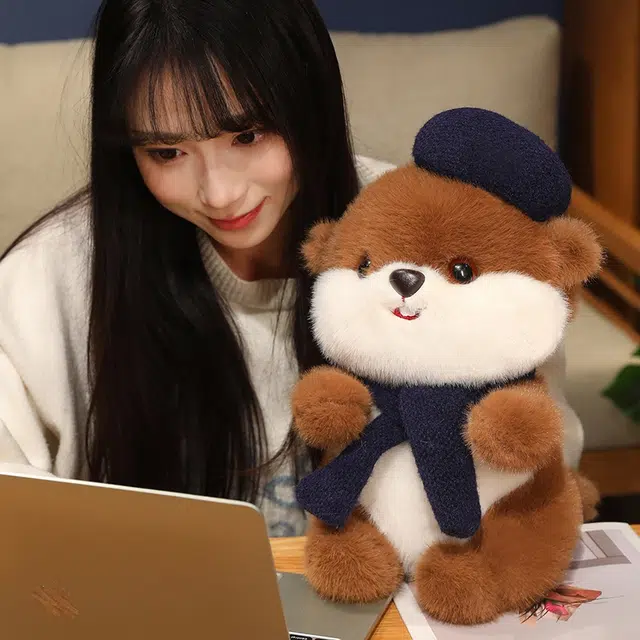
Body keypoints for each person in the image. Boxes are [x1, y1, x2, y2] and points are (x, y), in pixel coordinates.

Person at [0, 0, 584, 538]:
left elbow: (535, 471)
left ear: (310, 105)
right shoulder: (50, 276)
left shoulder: (429, 242)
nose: (219, 193)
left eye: (247, 134)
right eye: (166, 152)